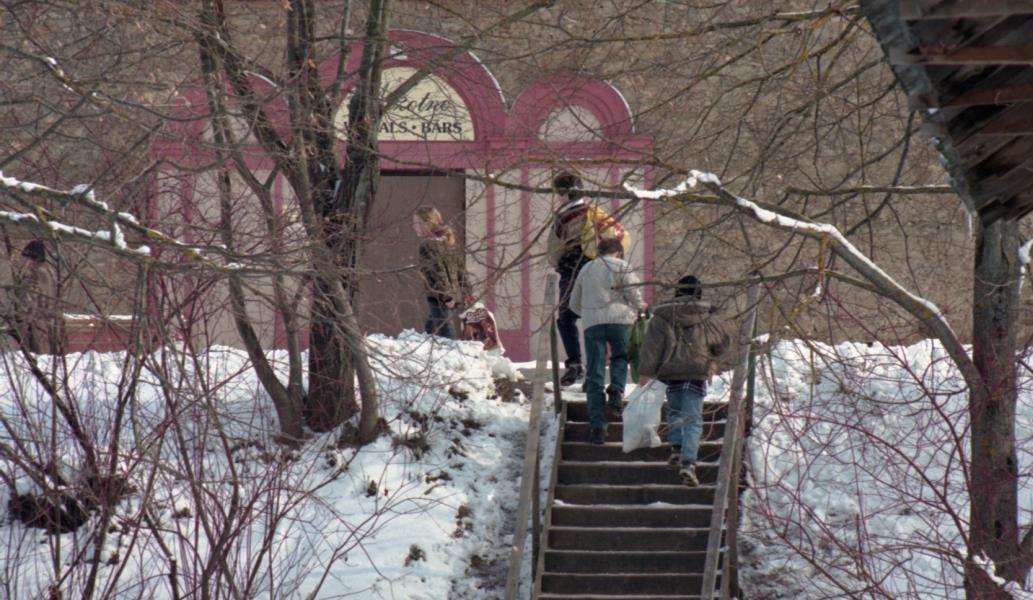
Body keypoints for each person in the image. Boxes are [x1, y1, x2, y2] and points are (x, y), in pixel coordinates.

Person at [637, 275, 730, 487]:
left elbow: (651, 347)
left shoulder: (662, 317)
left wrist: (645, 372)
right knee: (693, 419)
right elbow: (721, 344)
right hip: (696, 373)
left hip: (670, 373)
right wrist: (712, 359)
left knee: (674, 412)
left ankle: (677, 448)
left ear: (677, 291)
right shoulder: (707, 317)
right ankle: (689, 462)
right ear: (699, 293)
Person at [547, 172, 631, 387]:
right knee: (595, 321)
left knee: (566, 318)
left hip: (572, 269)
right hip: (598, 272)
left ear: (565, 194)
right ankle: (595, 373)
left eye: (559, 194)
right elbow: (618, 237)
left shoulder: (564, 216)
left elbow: (553, 250)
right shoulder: (597, 213)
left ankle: (575, 364)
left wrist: (559, 265)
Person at [569, 237, 645, 445]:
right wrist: (640, 307)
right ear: (618, 252)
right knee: (620, 357)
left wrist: (588, 314)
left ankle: (598, 427)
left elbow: (574, 302)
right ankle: (617, 390)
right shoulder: (622, 266)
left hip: (593, 324)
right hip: (620, 321)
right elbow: (634, 294)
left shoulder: (586, 269)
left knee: (595, 371)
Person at [413, 206, 467, 339]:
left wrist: (446, 297)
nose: (414, 227)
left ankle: (452, 352)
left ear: (427, 223)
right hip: (450, 295)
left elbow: (436, 273)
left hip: (439, 296)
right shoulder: (448, 243)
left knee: (446, 335)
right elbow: (461, 271)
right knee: (430, 330)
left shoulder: (427, 245)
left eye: (417, 223)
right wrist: (463, 292)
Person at [10, 240, 59, 353]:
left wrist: (20, 325)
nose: (24, 261)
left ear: (32, 258)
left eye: (26, 258)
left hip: (36, 325)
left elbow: (28, 301)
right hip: (53, 324)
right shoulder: (51, 273)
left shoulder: (32, 274)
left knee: (36, 357)